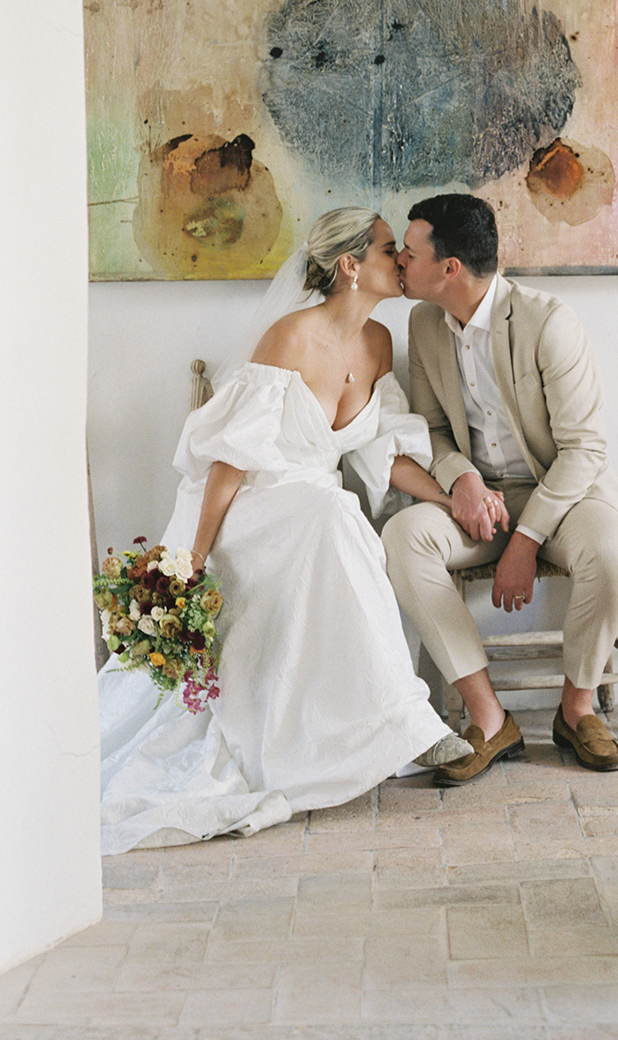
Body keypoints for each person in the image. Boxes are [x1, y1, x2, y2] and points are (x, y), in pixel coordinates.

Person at [97, 207, 471, 853]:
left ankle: (389, 723)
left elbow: (381, 449)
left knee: (333, 515)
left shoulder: (380, 344)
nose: (402, 262)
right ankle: (409, 722)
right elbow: (232, 459)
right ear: (351, 266)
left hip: (313, 506)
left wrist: (452, 497)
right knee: (336, 518)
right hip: (249, 505)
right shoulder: (289, 338)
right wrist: (192, 559)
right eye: (390, 250)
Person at [383, 194, 618, 785]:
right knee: (403, 536)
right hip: (479, 500)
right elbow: (433, 429)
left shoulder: (549, 321)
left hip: (565, 493)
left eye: (409, 250)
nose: (400, 259)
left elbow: (584, 449)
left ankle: (576, 712)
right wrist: (464, 480)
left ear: (450, 268)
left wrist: (526, 541)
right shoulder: (423, 323)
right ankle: (489, 717)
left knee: (611, 550)